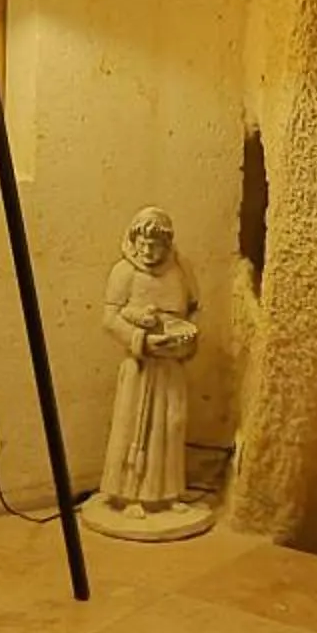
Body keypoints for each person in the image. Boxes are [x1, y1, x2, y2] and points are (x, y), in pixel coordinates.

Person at [98, 206, 201, 516]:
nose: (147, 251)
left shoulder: (180, 270)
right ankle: (129, 495)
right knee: (135, 426)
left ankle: (168, 492)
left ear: (167, 245)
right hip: (140, 365)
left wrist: (185, 341)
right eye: (142, 244)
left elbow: (193, 311)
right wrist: (142, 340)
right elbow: (110, 318)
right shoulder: (124, 272)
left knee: (170, 426)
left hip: (170, 365)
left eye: (155, 245)